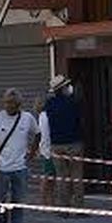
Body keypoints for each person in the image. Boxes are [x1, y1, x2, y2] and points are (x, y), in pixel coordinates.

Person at [0, 87, 39, 223]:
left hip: (20, 169)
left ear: (19, 104)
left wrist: (32, 153)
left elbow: (37, 134)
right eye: (7, 103)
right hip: (1, 168)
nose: (9, 106)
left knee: (18, 203)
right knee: (0, 203)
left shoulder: (27, 118)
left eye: (12, 103)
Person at [42, 75, 82, 207]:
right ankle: (78, 207)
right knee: (76, 176)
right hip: (74, 142)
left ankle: (63, 207)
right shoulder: (73, 101)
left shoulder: (49, 104)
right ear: (63, 87)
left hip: (56, 144)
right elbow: (79, 119)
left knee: (61, 177)